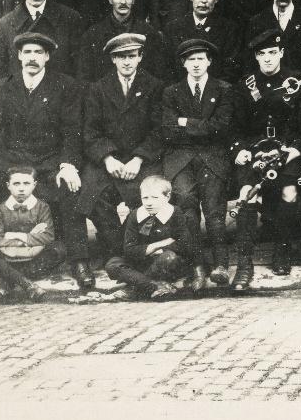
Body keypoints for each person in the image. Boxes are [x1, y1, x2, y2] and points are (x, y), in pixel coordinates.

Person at [0, 31, 93, 297]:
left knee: (71, 188)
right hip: (8, 165)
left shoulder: (65, 86)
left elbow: (72, 131)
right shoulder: (1, 87)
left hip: (47, 164)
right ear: (20, 56)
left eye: (38, 52)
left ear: (47, 57)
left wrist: (68, 166)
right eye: (28, 52)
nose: (32, 58)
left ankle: (79, 261)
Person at [229, 29, 301, 290]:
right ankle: (244, 264)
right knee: (246, 193)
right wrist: (240, 150)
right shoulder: (245, 86)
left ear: (281, 53)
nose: (267, 58)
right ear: (256, 56)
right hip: (255, 151)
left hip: (287, 150)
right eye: (262, 54)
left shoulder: (297, 82)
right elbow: (235, 126)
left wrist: (296, 149)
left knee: (289, 192)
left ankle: (282, 250)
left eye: (272, 53)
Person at [80, 31, 165, 268]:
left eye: (132, 56)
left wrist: (139, 158)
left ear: (140, 57)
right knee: (93, 194)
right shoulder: (98, 88)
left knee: (148, 196)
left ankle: (125, 249)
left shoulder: (154, 86)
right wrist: (107, 158)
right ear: (113, 59)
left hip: (142, 158)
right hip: (109, 159)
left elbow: (159, 130)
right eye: (121, 56)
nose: (127, 62)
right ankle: (121, 249)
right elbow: (90, 131)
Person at [158, 38, 237, 289]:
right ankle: (197, 267)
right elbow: (168, 130)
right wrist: (202, 126)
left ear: (209, 61)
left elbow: (221, 128)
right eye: (190, 59)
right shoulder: (171, 92)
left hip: (212, 157)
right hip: (180, 159)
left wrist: (185, 122)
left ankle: (221, 265)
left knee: (214, 211)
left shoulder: (223, 89)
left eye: (201, 58)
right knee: (187, 209)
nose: (196, 64)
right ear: (183, 63)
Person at [105, 174, 208, 300]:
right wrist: (159, 245)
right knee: (112, 264)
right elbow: (129, 250)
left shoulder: (175, 213)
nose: (149, 203)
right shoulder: (135, 215)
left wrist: (156, 251)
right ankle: (153, 286)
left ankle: (136, 287)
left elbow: (184, 245)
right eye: (145, 198)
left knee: (169, 257)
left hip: (165, 263)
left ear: (167, 197)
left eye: (155, 198)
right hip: (143, 262)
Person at [0, 166, 65, 301]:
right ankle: (28, 285)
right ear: (8, 186)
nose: (21, 188)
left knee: (59, 249)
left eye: (26, 183)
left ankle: (11, 278)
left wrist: (18, 237)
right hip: (8, 258)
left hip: (34, 258)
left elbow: (48, 236)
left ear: (34, 185)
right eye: (16, 184)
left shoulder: (42, 207)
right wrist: (25, 242)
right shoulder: (0, 210)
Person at [78, 0, 169, 83]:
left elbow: (158, 76)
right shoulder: (93, 35)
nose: (123, 2)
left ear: (134, 0)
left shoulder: (149, 33)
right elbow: (85, 79)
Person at [162, 0, 240, 77]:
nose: (204, 0)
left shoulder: (229, 29)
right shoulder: (172, 28)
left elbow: (230, 70)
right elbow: (167, 69)